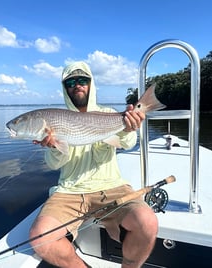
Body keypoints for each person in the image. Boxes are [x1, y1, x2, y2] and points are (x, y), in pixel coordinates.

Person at [30, 61, 158, 268]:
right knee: (40, 236)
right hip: (69, 191)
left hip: (112, 186)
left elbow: (127, 143)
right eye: (71, 82)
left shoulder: (108, 112)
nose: (77, 85)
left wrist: (128, 129)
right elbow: (54, 165)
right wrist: (54, 147)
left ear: (91, 84)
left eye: (82, 80)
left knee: (147, 222)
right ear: (65, 88)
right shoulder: (55, 120)